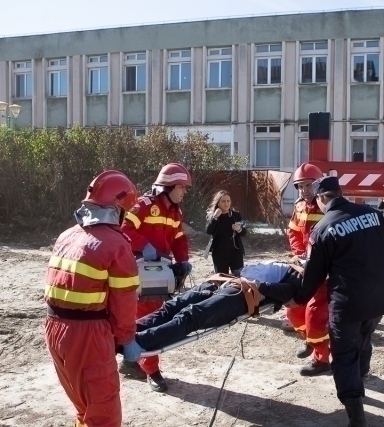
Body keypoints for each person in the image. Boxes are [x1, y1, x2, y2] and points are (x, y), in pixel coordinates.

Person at [293, 176, 384, 427]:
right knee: (364, 337)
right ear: (340, 193)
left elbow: (314, 275)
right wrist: (376, 278)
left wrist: (297, 298)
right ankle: (361, 379)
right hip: (378, 297)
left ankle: (356, 417)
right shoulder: (373, 214)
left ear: (322, 198)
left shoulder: (324, 227)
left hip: (347, 302)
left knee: (344, 355)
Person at [44, 170, 142, 427]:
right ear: (118, 209)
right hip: (87, 336)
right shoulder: (116, 243)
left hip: (55, 329)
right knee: (104, 414)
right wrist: (127, 338)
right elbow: (123, 301)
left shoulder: (67, 236)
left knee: (83, 405)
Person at [119, 162, 193, 393]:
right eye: (181, 187)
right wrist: (144, 246)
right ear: (168, 187)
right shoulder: (142, 205)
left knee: (151, 316)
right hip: (140, 270)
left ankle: (131, 362)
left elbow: (179, 238)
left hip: (160, 270)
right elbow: (123, 230)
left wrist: (183, 260)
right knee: (149, 316)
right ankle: (152, 371)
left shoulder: (175, 211)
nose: (184, 192)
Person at [133, 263, 302, 352]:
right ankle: (127, 332)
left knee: (191, 315)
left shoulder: (301, 276)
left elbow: (287, 292)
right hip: (225, 281)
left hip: (241, 294)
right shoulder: (292, 263)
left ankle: (139, 341)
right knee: (173, 306)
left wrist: (256, 284)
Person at [285, 162, 331, 376]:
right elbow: (293, 232)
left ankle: (322, 360)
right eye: (300, 186)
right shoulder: (299, 206)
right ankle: (312, 342)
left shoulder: (328, 206)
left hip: (323, 271)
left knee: (315, 316)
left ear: (319, 185)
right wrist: (298, 253)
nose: (304, 190)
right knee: (294, 311)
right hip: (303, 266)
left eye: (308, 185)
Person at [204, 190, 246, 276]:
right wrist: (215, 217)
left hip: (235, 253)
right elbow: (208, 231)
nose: (226, 203)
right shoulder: (212, 215)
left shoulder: (235, 215)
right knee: (222, 280)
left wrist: (239, 229)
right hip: (219, 254)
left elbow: (244, 232)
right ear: (218, 203)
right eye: (223, 201)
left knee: (239, 277)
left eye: (228, 201)